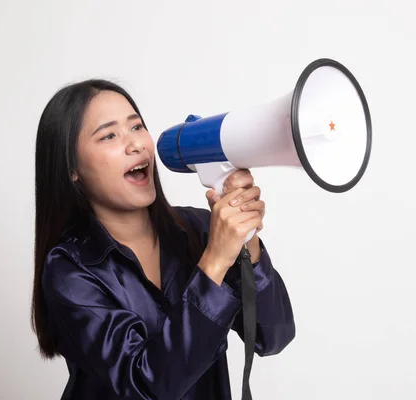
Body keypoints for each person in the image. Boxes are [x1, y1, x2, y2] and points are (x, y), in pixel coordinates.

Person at [31, 79, 295, 400]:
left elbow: (273, 336)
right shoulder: (69, 270)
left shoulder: (198, 228)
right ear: (71, 167)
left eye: (137, 126)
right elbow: (147, 384)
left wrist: (246, 243)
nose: (136, 144)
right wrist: (213, 262)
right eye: (109, 135)